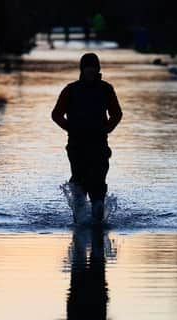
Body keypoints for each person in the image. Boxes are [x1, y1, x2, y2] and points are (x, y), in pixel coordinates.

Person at [51, 53, 122, 222]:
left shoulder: (106, 89)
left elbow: (117, 114)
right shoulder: (71, 90)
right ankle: (79, 219)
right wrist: (71, 128)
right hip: (76, 145)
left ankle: (98, 218)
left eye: (93, 67)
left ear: (98, 69)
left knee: (98, 182)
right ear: (82, 70)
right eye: (87, 68)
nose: (90, 71)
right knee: (79, 182)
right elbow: (56, 114)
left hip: (99, 144)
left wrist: (106, 129)